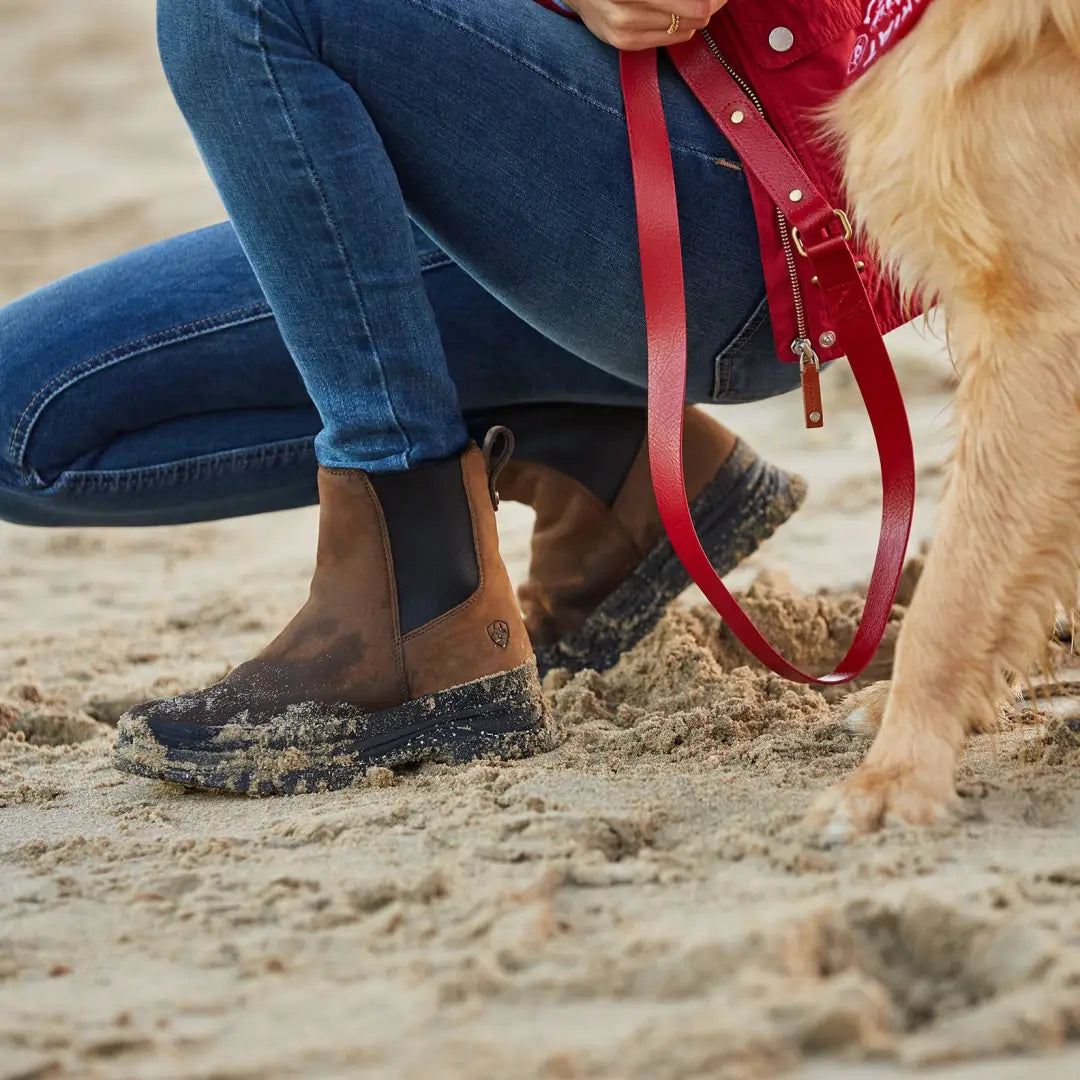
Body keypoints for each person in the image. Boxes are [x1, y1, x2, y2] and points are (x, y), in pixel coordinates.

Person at [0, 0, 810, 794]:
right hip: (570, 147)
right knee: (18, 422)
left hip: (734, 192)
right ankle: (600, 464)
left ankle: (421, 600)